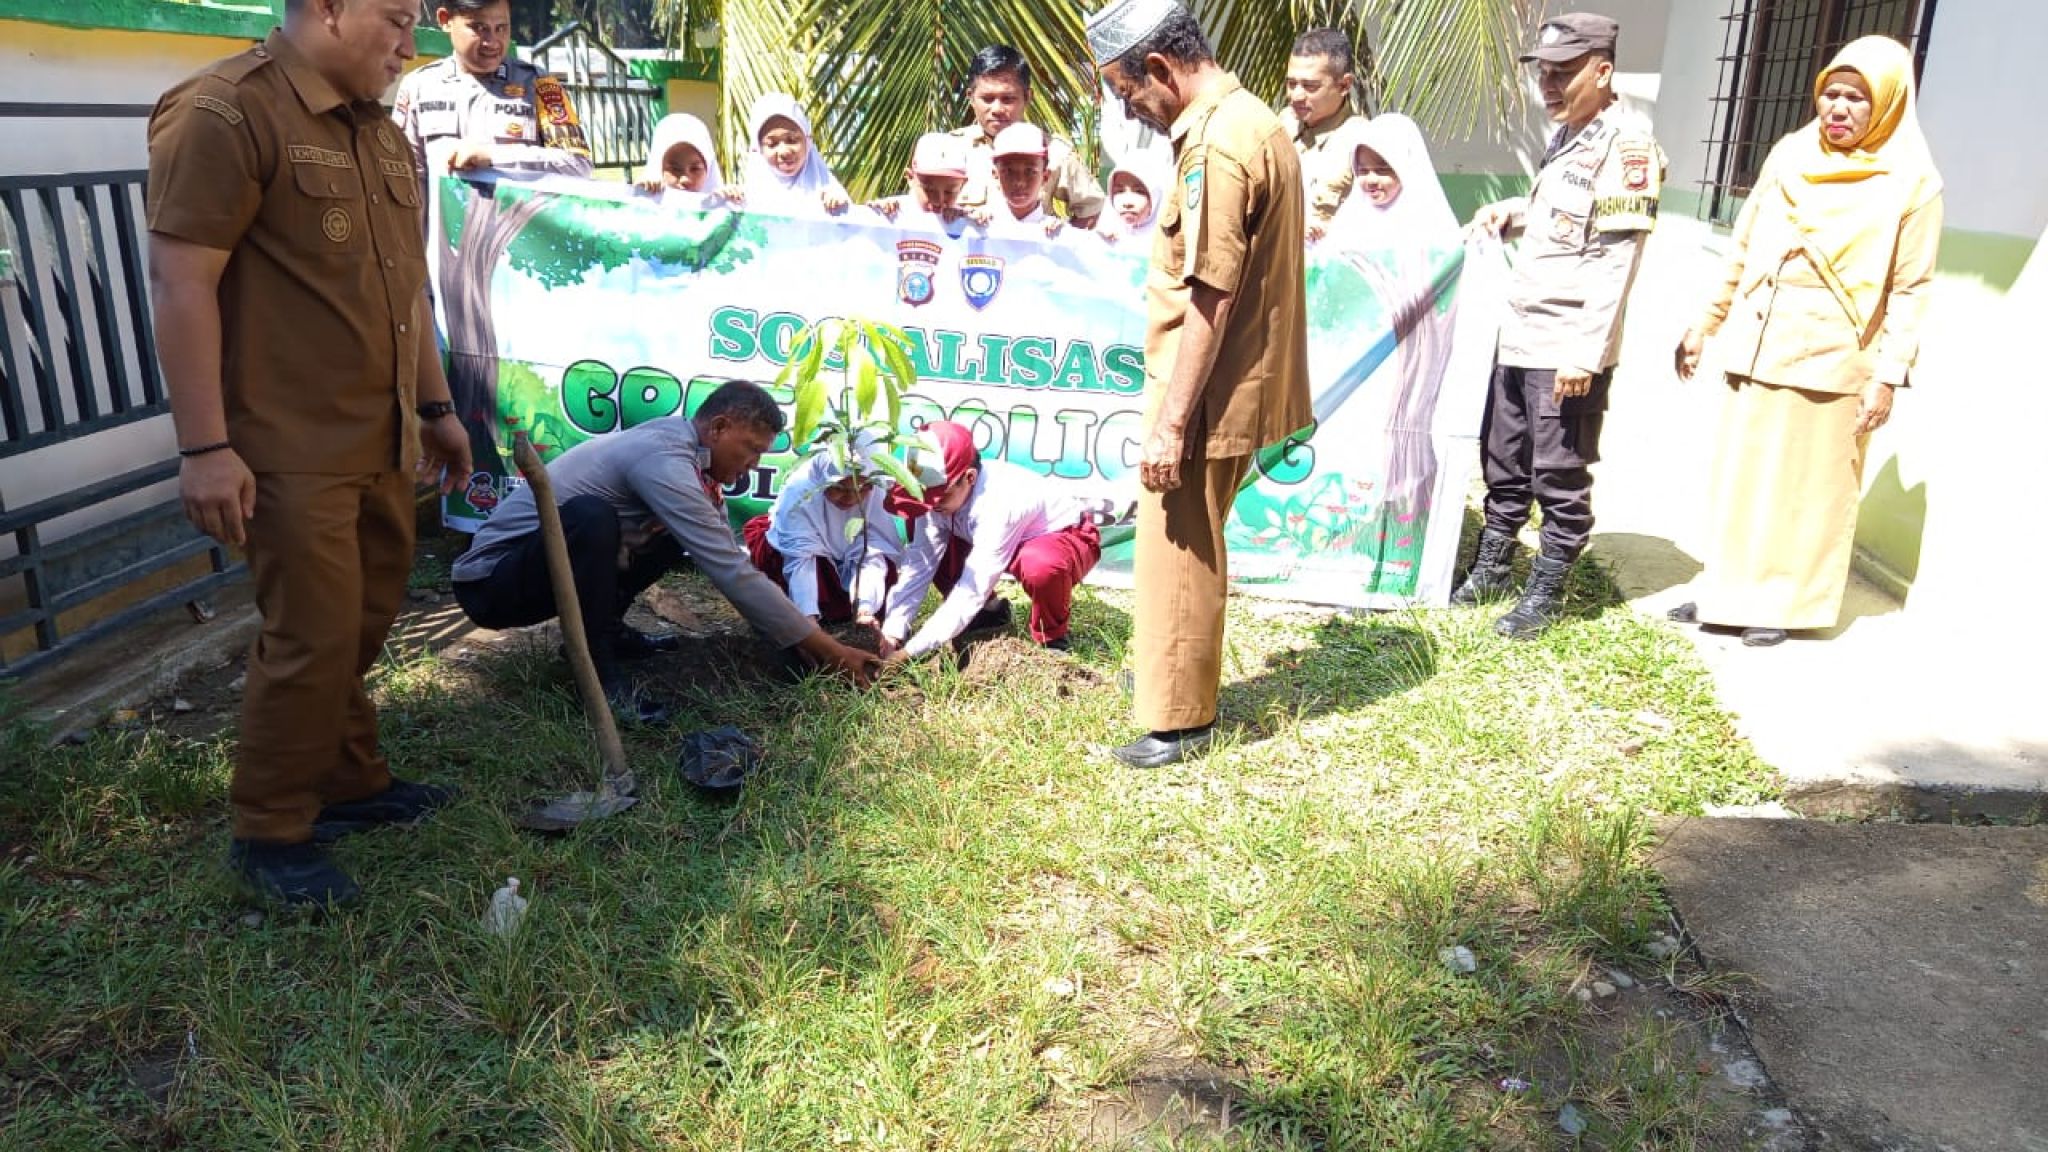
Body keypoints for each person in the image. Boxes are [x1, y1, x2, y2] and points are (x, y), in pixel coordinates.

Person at [147, 0, 475, 906]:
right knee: (314, 633)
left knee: (366, 616)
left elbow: (405, 289)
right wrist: (205, 446)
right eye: (398, 19)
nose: (416, 42)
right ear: (328, 10)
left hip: (381, 434)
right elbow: (181, 282)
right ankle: (271, 828)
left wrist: (437, 406)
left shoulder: (381, 132)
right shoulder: (224, 113)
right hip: (284, 444)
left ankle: (350, 775)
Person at [1087, 0, 1311, 767]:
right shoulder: (1255, 121)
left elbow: (1211, 293)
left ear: (1160, 68)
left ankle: (1178, 719)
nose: (1135, 113)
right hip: (1226, 377)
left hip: (1207, 385)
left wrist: (1172, 422)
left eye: (1130, 95)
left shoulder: (1215, 145)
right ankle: (1166, 677)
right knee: (1180, 542)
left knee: (1180, 544)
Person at [1669, 37, 1942, 647]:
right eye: (1830, 94)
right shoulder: (1791, 153)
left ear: (1890, 105)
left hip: (1836, 354)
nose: (1838, 109)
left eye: (1856, 99)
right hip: (1760, 337)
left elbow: (1911, 286)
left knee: (1810, 488)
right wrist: (1704, 324)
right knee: (1743, 477)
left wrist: (1888, 374)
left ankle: (1785, 605)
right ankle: (1727, 590)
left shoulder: (1913, 182)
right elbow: (1743, 244)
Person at [450, 381, 880, 723]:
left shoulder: (695, 464)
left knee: (674, 533)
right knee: (590, 516)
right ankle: (596, 671)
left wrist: (797, 639)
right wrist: (829, 650)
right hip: (493, 583)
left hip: (544, 571)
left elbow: (727, 554)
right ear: (719, 428)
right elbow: (729, 569)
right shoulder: (663, 456)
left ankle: (609, 629)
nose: (753, 463)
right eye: (750, 448)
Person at [1452, 11, 1664, 639]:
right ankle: (1491, 568)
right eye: (1544, 73)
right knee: (1504, 460)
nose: (1550, 86)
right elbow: (1563, 216)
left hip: (1566, 348)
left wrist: (1585, 356)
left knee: (1559, 474)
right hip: (1522, 334)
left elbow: (1614, 259)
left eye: (1564, 74)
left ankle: (1545, 592)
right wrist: (1512, 212)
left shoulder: (1626, 148)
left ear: (1603, 71)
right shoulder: (1570, 134)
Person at [878, 421, 1102, 661]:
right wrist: (893, 632)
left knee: (1040, 565)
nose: (931, 504)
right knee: (922, 525)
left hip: (1062, 537)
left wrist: (910, 652)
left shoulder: (1000, 504)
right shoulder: (940, 503)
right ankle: (990, 614)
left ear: (970, 477)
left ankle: (1053, 639)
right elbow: (920, 565)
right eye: (922, 496)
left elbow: (971, 589)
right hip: (993, 540)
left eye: (938, 496)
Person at [391, 0, 593, 183]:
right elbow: (405, 177)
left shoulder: (540, 85)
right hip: (443, 223)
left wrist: (494, 156)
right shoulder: (418, 87)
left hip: (517, 222)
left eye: (501, 28)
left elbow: (577, 165)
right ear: (446, 20)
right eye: (479, 28)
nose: (492, 42)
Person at [742, 433, 904, 633]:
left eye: (861, 490)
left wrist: (865, 606)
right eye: (838, 488)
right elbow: (800, 559)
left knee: (882, 565)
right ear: (823, 481)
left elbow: (873, 552)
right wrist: (807, 619)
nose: (850, 498)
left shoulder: (874, 496)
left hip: (848, 558)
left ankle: (856, 609)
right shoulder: (801, 491)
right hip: (806, 557)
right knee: (781, 560)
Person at [951, 44, 1106, 227]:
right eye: (987, 99)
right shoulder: (951, 150)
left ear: (1027, 97)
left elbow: (1093, 208)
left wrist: (1058, 244)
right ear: (971, 98)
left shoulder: (1054, 151)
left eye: (1008, 99)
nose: (997, 109)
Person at [1317, 113, 1459, 255]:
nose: (1371, 180)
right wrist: (1319, 240)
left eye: (1382, 170)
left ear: (1405, 168)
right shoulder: (1350, 219)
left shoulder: (1428, 224)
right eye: (1363, 171)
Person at [1280, 28, 1369, 237]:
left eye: (1310, 86)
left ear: (1344, 85)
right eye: (1291, 84)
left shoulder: (1362, 142)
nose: (1297, 96)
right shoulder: (1280, 125)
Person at [728, 94, 851, 216]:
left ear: (808, 142)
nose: (784, 151)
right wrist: (723, 200)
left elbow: (854, 229)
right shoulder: (746, 198)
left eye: (792, 140)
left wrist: (840, 207)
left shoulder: (829, 192)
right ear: (759, 150)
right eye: (772, 144)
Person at [867, 132, 980, 229]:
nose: (938, 201)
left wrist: (970, 221)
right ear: (910, 178)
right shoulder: (894, 209)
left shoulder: (962, 218)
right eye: (929, 190)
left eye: (949, 192)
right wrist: (877, 213)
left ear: (962, 185)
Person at [987, 123, 1067, 238]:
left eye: (1030, 172)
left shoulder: (1058, 236)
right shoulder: (978, 228)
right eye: (1009, 171)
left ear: (1045, 177)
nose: (1019, 182)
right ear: (995, 175)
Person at [636, 112, 724, 198]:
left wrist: (732, 200)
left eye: (695, 169)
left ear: (708, 170)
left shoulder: (723, 207)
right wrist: (638, 194)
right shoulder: (645, 206)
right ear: (658, 166)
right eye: (675, 169)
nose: (685, 180)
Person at [1097, 151, 1170, 244]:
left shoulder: (1166, 243)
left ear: (1155, 197)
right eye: (1119, 191)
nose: (1127, 202)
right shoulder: (1101, 229)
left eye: (1139, 192)